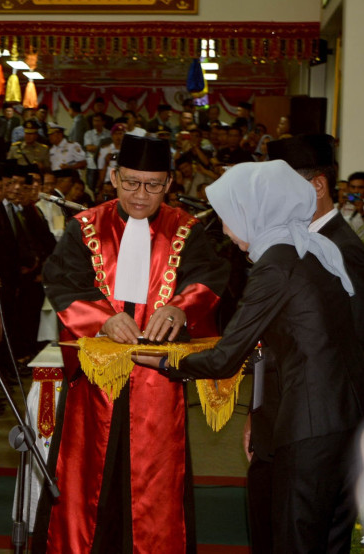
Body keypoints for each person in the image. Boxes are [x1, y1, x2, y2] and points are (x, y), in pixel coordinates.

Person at [135, 160, 364, 554]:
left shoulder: (276, 263)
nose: (224, 229)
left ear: (253, 211)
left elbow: (226, 356)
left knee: (297, 539)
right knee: (331, 539)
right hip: (341, 418)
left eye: (227, 216)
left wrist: (166, 362)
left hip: (311, 423)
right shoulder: (307, 248)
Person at [42, 134, 227, 553]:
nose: (140, 194)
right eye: (130, 182)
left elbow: (209, 275)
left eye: (152, 185)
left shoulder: (186, 228)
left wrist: (181, 307)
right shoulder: (85, 226)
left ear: (168, 184)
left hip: (156, 373)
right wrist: (104, 321)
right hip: (98, 375)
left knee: (156, 474)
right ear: (113, 177)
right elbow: (62, 281)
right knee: (90, 472)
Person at [238, 134, 364, 553]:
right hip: (281, 420)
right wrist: (258, 412)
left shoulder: (343, 252)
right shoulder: (295, 245)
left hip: (317, 432)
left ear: (316, 187)